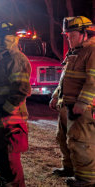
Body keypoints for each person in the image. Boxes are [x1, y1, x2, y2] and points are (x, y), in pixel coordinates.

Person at [0, 22, 31, 186]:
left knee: (10, 157)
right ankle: (6, 182)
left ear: (7, 39)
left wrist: (5, 111)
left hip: (12, 119)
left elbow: (21, 90)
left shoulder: (17, 60)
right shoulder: (1, 60)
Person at [54, 16, 95, 187]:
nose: (68, 39)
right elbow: (65, 79)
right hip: (67, 105)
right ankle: (69, 168)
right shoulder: (75, 52)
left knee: (81, 142)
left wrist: (82, 103)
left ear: (84, 34)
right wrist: (56, 95)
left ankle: (86, 179)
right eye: (67, 35)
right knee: (63, 138)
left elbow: (93, 80)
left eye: (71, 35)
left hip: (80, 108)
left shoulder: (92, 51)